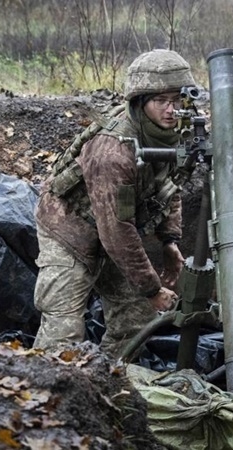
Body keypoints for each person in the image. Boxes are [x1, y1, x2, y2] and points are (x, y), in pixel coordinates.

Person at [31, 49, 197, 358]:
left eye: (178, 100)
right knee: (63, 332)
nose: (172, 110)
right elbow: (116, 230)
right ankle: (43, 394)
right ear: (140, 102)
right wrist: (152, 288)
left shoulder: (176, 133)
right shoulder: (114, 151)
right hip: (69, 230)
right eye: (161, 101)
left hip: (115, 230)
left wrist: (170, 241)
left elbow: (172, 186)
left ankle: (106, 379)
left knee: (137, 319)